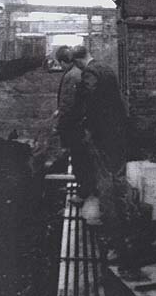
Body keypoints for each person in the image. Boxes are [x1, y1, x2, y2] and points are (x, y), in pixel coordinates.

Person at [55, 45, 128, 202]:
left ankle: (103, 203)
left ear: (79, 60)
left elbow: (90, 98)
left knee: (98, 164)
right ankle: (119, 200)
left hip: (101, 126)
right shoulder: (105, 67)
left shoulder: (89, 72)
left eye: (76, 63)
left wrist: (81, 120)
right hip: (116, 124)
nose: (77, 67)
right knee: (114, 165)